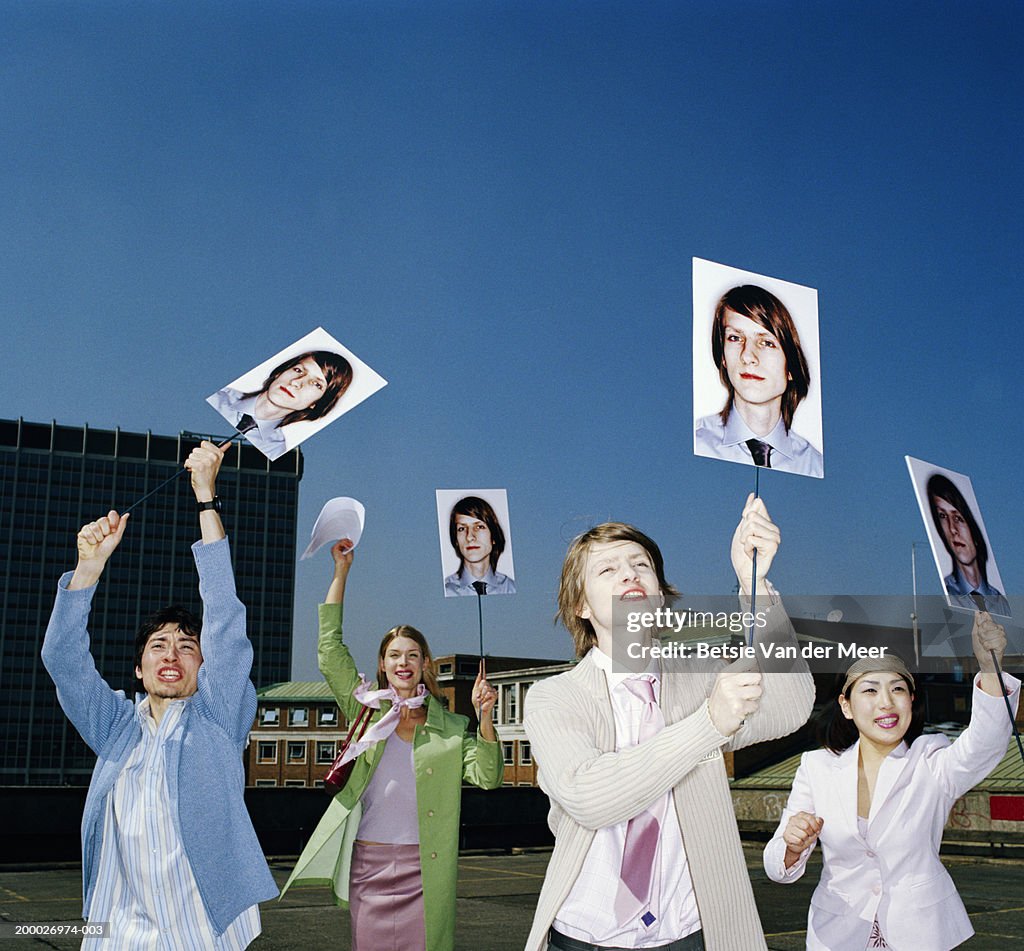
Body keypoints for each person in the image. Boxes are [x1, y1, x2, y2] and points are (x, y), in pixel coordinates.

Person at [523, 494, 815, 951]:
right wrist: (709, 724)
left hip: (690, 933)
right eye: (607, 569)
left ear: (659, 593)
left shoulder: (700, 680)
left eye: (641, 565)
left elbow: (793, 704)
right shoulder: (554, 698)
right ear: (580, 605)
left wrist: (754, 583)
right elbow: (588, 797)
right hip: (585, 936)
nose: (629, 573)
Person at [41, 440, 278, 949]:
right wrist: (88, 568)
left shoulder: (218, 716)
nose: (171, 654)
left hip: (201, 928)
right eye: (157, 645)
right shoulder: (115, 726)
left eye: (186, 646)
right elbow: (63, 660)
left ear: (204, 662)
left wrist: (205, 498)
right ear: (139, 668)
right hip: (119, 930)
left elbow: (225, 620)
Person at [281, 539, 503, 950]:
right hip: (370, 866)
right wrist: (341, 573)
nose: (403, 662)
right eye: (394, 655)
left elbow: (488, 777)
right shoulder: (365, 711)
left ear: (424, 665)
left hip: (427, 868)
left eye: (413, 655)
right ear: (382, 665)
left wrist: (484, 717)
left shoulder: (452, 727)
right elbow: (330, 652)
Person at [763, 613, 1018, 950]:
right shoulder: (817, 766)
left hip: (920, 934)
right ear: (846, 705)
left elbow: (984, 744)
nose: (886, 701)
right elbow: (777, 863)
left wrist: (989, 668)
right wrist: (792, 846)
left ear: (911, 699)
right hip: (838, 932)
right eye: (870, 690)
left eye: (898, 688)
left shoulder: (931, 761)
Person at [694, 284, 823, 478]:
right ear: (722, 357)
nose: (747, 356)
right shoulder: (697, 441)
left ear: (791, 369)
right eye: (735, 338)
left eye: (767, 343)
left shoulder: (813, 464)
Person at [207, 349, 353, 460]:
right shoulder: (219, 396)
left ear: (317, 404)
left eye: (316, 384)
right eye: (298, 370)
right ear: (280, 372)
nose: (296, 382)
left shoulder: (275, 449)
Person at [926, 473, 1011, 616]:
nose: (952, 529)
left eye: (958, 518)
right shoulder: (948, 595)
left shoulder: (1000, 602)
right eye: (943, 516)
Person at [443, 495, 517, 596]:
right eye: (462, 529)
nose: (469, 537)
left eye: (479, 527)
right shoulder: (446, 591)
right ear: (456, 540)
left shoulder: (510, 589)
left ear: (494, 537)